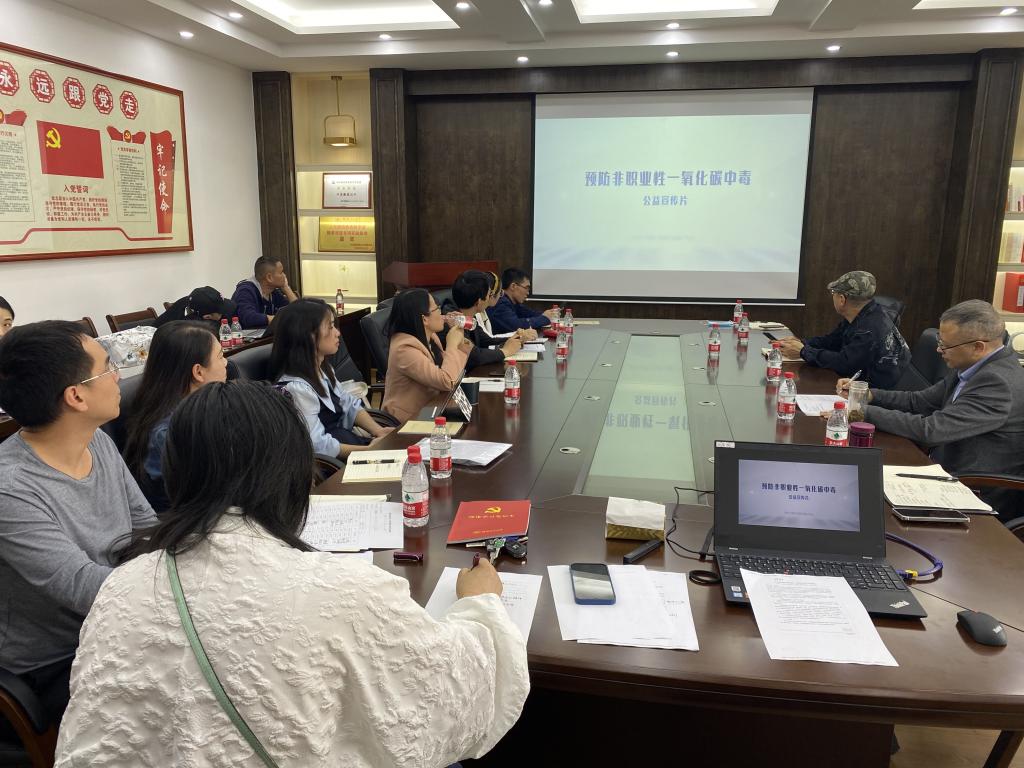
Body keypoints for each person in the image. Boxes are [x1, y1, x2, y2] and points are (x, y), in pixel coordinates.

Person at [54, 380, 528, 767]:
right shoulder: (341, 589)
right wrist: (480, 606)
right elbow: (451, 700)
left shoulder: (121, 588)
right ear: (290, 471)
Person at [0, 321, 156, 730]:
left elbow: (145, 527)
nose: (118, 376)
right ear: (76, 396)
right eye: (107, 367)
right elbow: (83, 586)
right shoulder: (10, 488)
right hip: (55, 661)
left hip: (118, 622)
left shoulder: (96, 440)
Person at [838, 300, 1024, 521]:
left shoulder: (997, 383)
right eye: (940, 341)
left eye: (946, 346)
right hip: (942, 469)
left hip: (974, 490)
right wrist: (870, 395)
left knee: (865, 507)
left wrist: (860, 412)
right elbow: (920, 401)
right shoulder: (974, 366)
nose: (938, 350)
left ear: (978, 347)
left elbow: (931, 430)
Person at [122, 321, 229, 513]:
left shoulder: (199, 407)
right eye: (221, 356)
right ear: (198, 372)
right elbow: (215, 492)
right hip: (187, 520)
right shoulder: (169, 433)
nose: (226, 363)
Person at [270, 298, 393, 458]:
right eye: (330, 327)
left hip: (348, 448)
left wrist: (379, 431)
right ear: (308, 335)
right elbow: (318, 446)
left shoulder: (323, 369)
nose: (338, 333)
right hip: (331, 465)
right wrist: (368, 452)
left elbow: (348, 404)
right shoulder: (296, 388)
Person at [778, 271, 907, 389]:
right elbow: (832, 340)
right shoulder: (864, 313)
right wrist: (801, 342)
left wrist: (804, 351)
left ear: (841, 299)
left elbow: (844, 363)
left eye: (833, 293)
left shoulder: (869, 329)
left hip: (874, 394)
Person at [382, 288, 472, 423]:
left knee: (476, 417)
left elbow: (454, 374)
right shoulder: (404, 349)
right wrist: (452, 345)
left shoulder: (431, 337)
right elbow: (447, 381)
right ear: (424, 319)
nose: (442, 313)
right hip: (408, 420)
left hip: (433, 407)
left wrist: (459, 336)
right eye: (437, 309)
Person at [443, 270, 524, 368]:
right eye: (489, 294)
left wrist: (516, 338)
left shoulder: (469, 315)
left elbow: (485, 340)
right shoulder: (451, 320)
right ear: (479, 302)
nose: (490, 298)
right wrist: (505, 351)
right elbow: (474, 356)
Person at [230, 256, 298, 329]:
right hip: (245, 335)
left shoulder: (273, 292)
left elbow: (298, 312)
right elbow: (249, 318)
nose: (284, 275)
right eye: (281, 272)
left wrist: (286, 288)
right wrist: (280, 319)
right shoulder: (245, 290)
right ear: (269, 277)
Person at [487, 268, 556, 334]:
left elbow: (530, 313)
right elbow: (516, 325)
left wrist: (548, 314)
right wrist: (544, 318)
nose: (528, 293)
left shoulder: (513, 302)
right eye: (526, 288)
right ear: (513, 286)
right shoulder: (500, 302)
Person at [154, 286, 238, 329]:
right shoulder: (190, 326)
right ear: (207, 317)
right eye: (221, 313)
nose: (224, 314)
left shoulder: (189, 302)